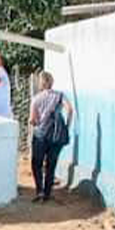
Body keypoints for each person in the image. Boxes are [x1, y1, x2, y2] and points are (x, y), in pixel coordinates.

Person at [28, 71, 74, 203]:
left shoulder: (36, 98)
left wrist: (37, 122)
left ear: (41, 83)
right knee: (51, 164)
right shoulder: (60, 96)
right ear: (52, 81)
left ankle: (39, 191)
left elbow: (32, 120)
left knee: (36, 163)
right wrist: (66, 126)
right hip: (56, 136)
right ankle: (47, 193)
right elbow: (70, 110)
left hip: (40, 135)